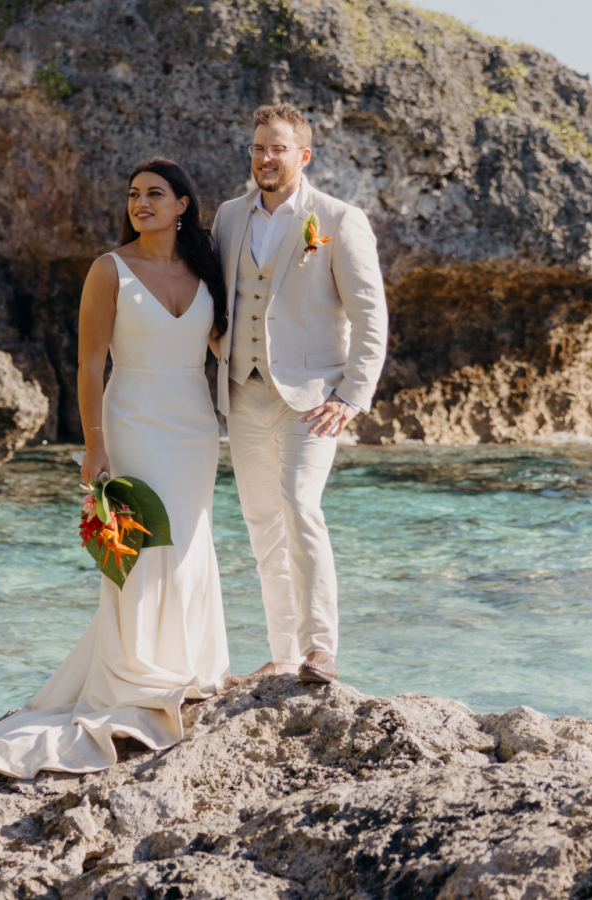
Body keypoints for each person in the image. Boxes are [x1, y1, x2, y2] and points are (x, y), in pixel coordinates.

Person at [0, 159, 231, 806]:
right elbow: (90, 363)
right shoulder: (108, 269)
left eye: (154, 194)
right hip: (134, 420)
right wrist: (94, 445)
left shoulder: (205, 273)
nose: (140, 203)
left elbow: (230, 348)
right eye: (132, 195)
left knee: (192, 541)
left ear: (183, 205)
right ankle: (138, 675)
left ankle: (190, 664)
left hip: (196, 427)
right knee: (138, 548)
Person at [212, 104, 388, 686]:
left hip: (312, 397)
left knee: (298, 504)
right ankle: (283, 652)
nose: (266, 157)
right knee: (262, 522)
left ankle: (321, 649)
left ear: (302, 156)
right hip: (242, 391)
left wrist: (351, 396)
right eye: (258, 147)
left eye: (278, 148)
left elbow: (370, 318)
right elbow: (218, 301)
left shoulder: (338, 218)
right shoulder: (228, 218)